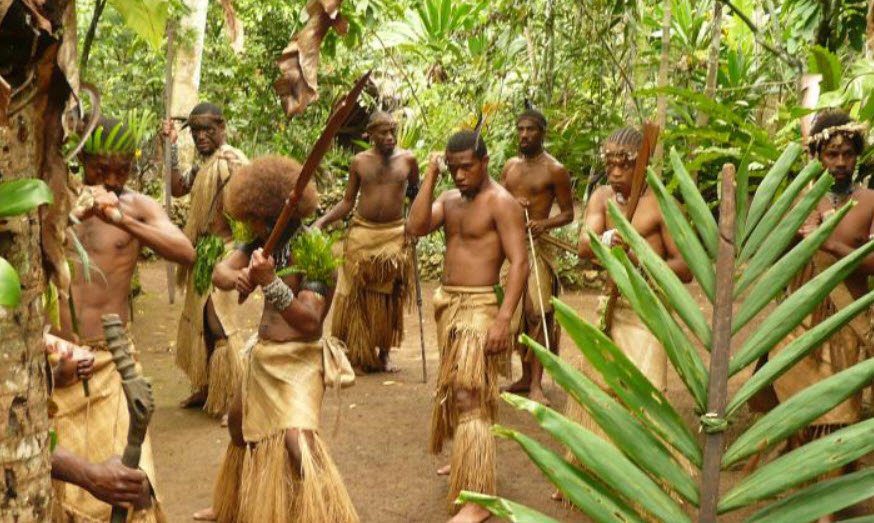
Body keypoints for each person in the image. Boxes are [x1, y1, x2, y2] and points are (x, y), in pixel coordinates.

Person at [194, 156, 358, 523]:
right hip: (263, 357)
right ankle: (232, 504)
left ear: (267, 213)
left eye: (250, 217)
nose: (246, 223)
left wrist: (270, 282)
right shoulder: (261, 242)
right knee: (238, 426)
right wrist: (235, 278)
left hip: (299, 360)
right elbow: (222, 270)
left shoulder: (313, 248)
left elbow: (310, 320)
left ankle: (327, 513)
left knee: (298, 442)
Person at [52, 114, 195, 521]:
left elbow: (184, 251)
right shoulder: (55, 200)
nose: (112, 178)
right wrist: (74, 211)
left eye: (123, 169)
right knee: (66, 489)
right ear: (84, 159)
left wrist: (119, 218)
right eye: (102, 167)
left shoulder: (137, 206)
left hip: (113, 360)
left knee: (131, 483)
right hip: (57, 363)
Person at [562, 126, 690, 499]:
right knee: (601, 387)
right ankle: (593, 464)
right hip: (611, 305)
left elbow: (684, 267)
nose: (616, 172)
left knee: (645, 392)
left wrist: (637, 257)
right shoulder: (602, 198)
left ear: (644, 164)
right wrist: (604, 242)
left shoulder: (661, 204)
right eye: (610, 163)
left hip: (647, 311)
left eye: (625, 164)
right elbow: (584, 246)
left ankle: (651, 479)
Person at [407, 130, 528, 523]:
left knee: (468, 393)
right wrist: (429, 175)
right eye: (453, 168)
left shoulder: (502, 203)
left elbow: (520, 263)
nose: (459, 175)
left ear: (485, 161)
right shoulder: (448, 200)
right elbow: (417, 226)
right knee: (458, 389)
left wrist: (504, 319)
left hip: (481, 307)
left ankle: (479, 498)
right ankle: (467, 458)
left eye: (467, 167)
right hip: (449, 304)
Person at [769, 110, 874, 522]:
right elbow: (768, 259)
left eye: (847, 153)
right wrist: (791, 236)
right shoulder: (797, 201)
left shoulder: (868, 202)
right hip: (800, 318)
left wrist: (827, 243)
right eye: (831, 153)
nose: (840, 162)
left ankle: (829, 506)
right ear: (815, 156)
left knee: (840, 412)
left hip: (848, 321)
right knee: (803, 411)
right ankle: (804, 492)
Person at [162, 102, 249, 420]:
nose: (201, 136)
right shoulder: (202, 166)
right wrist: (170, 148)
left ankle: (234, 397)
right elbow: (177, 188)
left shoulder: (232, 161)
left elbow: (249, 209)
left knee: (219, 321)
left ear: (222, 127)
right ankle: (207, 386)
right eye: (195, 131)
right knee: (200, 323)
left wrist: (244, 255)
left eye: (207, 130)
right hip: (202, 252)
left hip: (227, 250)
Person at [314, 111, 419, 373]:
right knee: (356, 294)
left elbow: (416, 195)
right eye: (383, 133)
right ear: (369, 135)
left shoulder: (408, 160)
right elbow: (348, 201)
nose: (389, 137)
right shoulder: (359, 162)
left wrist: (415, 223)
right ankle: (359, 354)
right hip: (363, 231)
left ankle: (383, 353)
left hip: (394, 232)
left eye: (392, 132)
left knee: (389, 293)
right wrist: (322, 221)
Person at [499, 108, 574, 405]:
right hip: (513, 246)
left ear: (543, 132)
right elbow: (498, 199)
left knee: (537, 313)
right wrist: (512, 203)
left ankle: (537, 385)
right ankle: (524, 377)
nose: (524, 135)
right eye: (520, 129)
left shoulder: (555, 170)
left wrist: (544, 223)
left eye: (530, 129)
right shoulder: (510, 167)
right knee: (515, 314)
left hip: (538, 247)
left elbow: (568, 214)